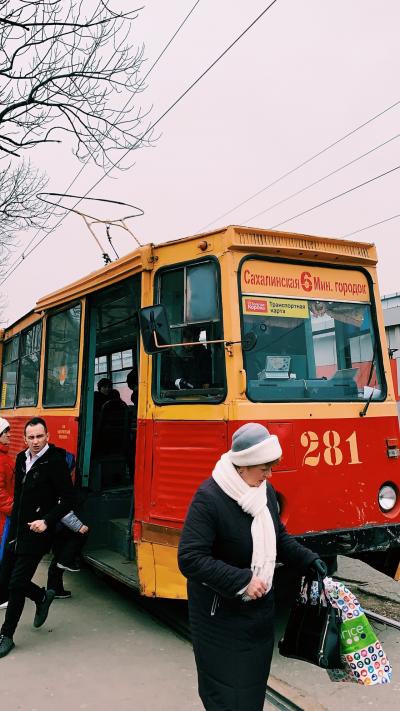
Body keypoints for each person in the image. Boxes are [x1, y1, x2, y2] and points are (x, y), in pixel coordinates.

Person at [178, 422, 327, 711]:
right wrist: (243, 580)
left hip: (257, 616)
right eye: (264, 469)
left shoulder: (263, 491)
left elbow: (278, 536)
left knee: (250, 695)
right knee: (226, 697)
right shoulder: (209, 499)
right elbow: (190, 558)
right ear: (243, 466)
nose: (269, 475)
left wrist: (308, 559)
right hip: (219, 619)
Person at [0, 417, 74, 658]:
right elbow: (19, 496)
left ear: (47, 436)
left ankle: (6, 635)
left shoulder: (56, 462)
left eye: (39, 436)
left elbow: (69, 498)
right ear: (25, 439)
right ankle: (42, 596)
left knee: (16, 584)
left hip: (38, 533)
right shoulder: (21, 458)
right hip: (17, 530)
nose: (35, 441)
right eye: (30, 437)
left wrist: (47, 521)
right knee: (5, 578)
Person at [0, 418, 14, 611]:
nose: (9, 435)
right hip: (3, 518)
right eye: (5, 433)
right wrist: (15, 507)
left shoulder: (4, 456)